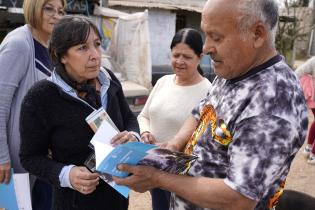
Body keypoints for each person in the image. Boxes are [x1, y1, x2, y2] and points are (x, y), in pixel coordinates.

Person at [113, 0, 308, 210]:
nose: (205, 48)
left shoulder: (273, 101)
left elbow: (239, 198)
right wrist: (176, 143)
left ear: (257, 34)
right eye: (206, 35)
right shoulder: (233, 70)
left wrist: (158, 178)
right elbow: (202, 111)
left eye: (217, 37)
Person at [19, 15, 140, 210]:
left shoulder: (108, 80)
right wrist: (67, 174)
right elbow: (30, 157)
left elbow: (128, 118)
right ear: (62, 55)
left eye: (97, 44)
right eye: (82, 48)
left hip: (117, 200)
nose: (95, 55)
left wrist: (133, 136)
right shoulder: (41, 97)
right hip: (73, 203)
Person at [0, 0, 66, 208]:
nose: (56, 15)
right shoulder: (19, 44)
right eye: (49, 8)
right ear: (33, 8)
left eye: (61, 11)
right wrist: (1, 156)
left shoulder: (52, 47)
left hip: (45, 159)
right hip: (18, 160)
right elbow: (1, 104)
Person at [137, 28, 211, 210]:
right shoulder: (163, 82)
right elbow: (143, 115)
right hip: (153, 165)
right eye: (176, 55)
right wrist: (145, 132)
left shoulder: (208, 91)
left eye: (186, 57)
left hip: (184, 175)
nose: (179, 61)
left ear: (200, 57)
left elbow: (206, 138)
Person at [295, 56, 315, 164]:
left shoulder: (313, 60)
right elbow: (298, 72)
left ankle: (308, 147)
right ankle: (313, 155)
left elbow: (298, 72)